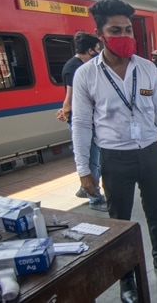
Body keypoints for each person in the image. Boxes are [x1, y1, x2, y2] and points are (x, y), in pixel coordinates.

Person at [71, 0, 157, 303]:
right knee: (119, 223)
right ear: (100, 34)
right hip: (114, 159)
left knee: (156, 213)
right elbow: (81, 124)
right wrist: (84, 170)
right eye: (115, 30)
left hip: (150, 154)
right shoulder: (86, 75)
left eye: (128, 30)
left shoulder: (147, 68)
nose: (125, 36)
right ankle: (126, 280)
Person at [55, 32, 107, 212]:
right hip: (84, 122)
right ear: (90, 49)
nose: (99, 53)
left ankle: (85, 190)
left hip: (86, 119)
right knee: (93, 160)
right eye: (98, 50)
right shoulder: (76, 68)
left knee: (93, 158)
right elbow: (70, 98)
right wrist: (66, 110)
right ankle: (95, 198)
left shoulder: (75, 65)